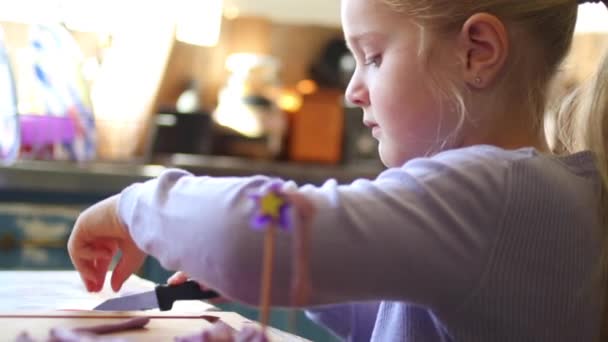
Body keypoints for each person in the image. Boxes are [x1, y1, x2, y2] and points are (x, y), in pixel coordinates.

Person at [68, 0, 608, 340]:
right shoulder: (529, 198)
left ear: (477, 52)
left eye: (372, 56)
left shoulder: (495, 194)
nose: (352, 89)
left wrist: (135, 205)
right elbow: (394, 314)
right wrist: (268, 273)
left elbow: (270, 221)